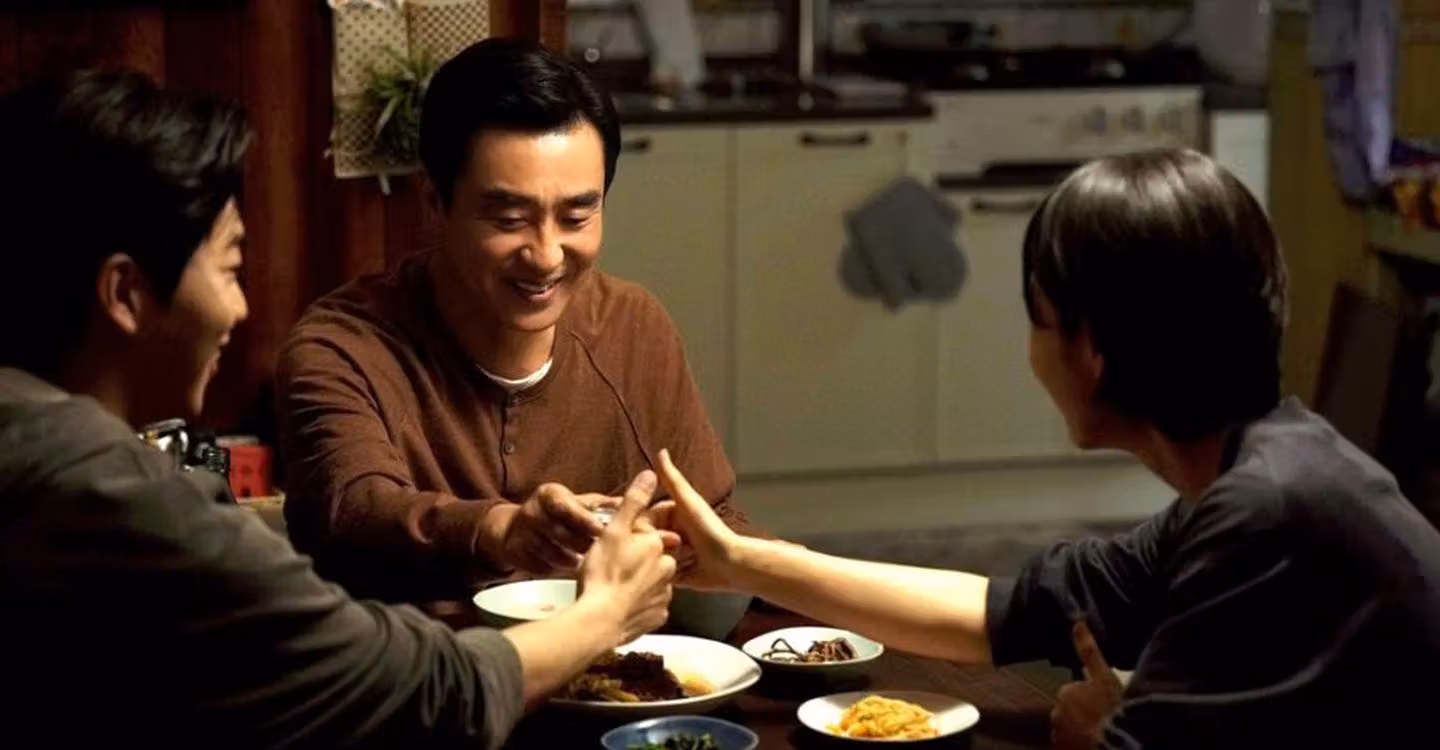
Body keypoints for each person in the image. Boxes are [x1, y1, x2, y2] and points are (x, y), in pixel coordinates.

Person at [652, 149, 1440, 749]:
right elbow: (1006, 614)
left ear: (1092, 350)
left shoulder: (1266, 515)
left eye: (1037, 318)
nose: (1030, 350)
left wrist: (1102, 733)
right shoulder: (1261, 474)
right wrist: (741, 561)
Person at [0, 68, 676, 749]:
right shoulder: (107, 491)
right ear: (125, 294)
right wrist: (605, 613)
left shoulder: (34, 432)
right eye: (231, 268)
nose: (240, 307)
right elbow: (417, 686)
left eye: (577, 214)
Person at [274, 38, 759, 614]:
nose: (546, 255)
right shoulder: (341, 347)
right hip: (413, 664)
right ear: (434, 201)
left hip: (614, 663)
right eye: (509, 219)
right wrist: (501, 530)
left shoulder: (633, 327)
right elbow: (354, 509)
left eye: (576, 216)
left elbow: (716, 523)